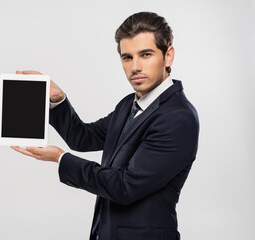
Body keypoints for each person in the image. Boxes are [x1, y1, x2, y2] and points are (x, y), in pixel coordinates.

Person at [12, 11, 199, 240]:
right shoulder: (128, 105)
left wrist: (61, 158)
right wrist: (57, 99)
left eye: (146, 54)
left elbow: (125, 186)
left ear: (168, 56)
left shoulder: (178, 118)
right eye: (127, 57)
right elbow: (84, 137)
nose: (135, 67)